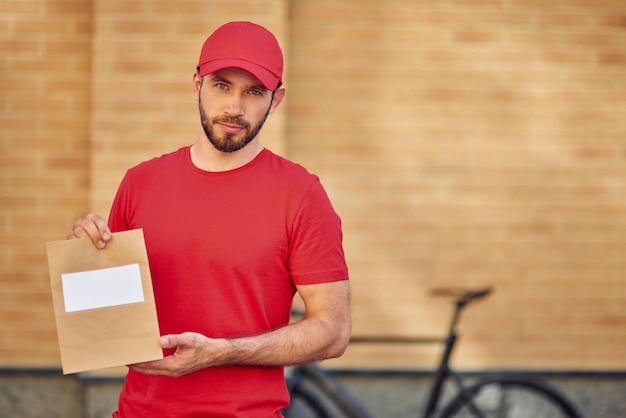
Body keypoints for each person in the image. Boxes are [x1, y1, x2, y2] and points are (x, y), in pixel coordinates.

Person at [67, 21, 351, 418]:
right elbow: (108, 323)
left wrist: (223, 353)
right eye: (222, 85)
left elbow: (333, 331)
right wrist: (84, 258)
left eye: (253, 92)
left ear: (277, 99)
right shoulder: (140, 183)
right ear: (197, 84)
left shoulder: (301, 194)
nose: (234, 108)